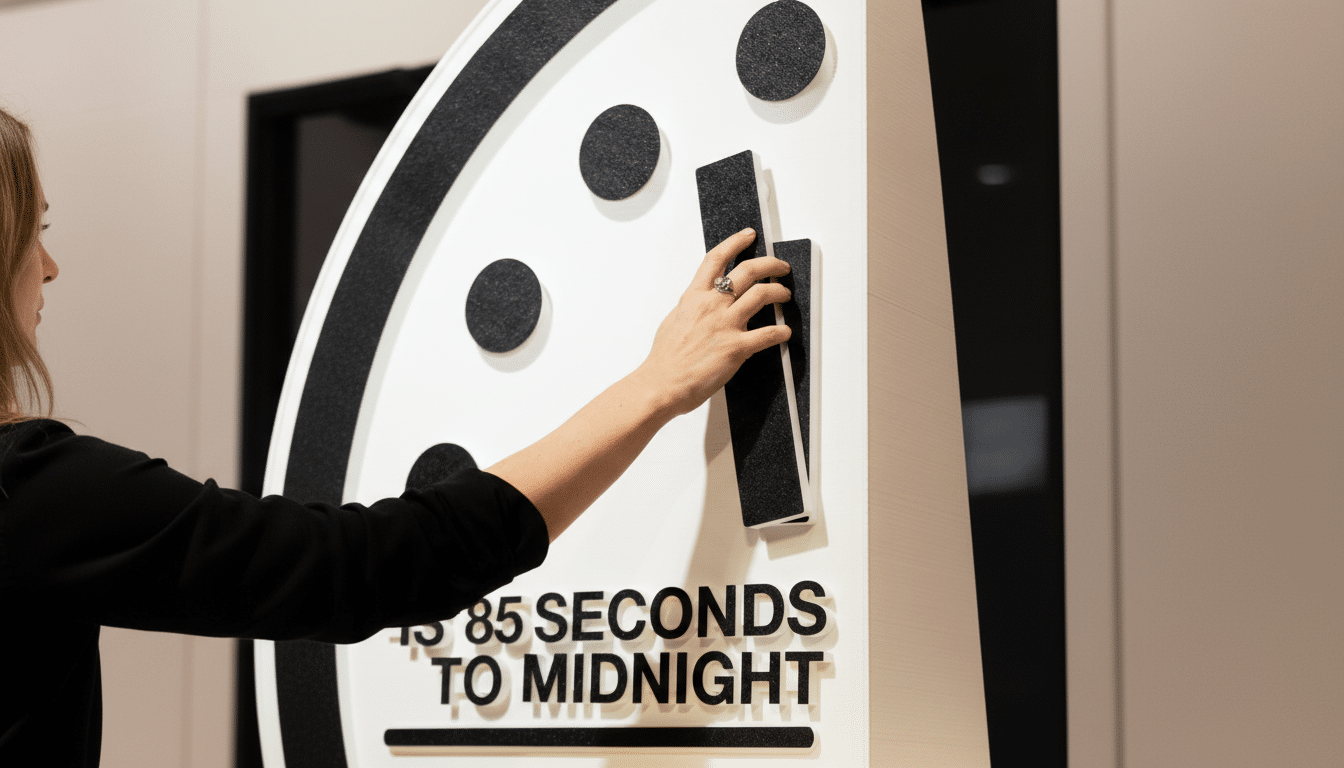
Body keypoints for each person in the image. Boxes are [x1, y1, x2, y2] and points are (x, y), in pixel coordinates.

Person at [0, 106, 792, 765]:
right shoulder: (27, 491)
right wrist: (652, 389)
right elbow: (368, 566)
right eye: (34, 232)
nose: (52, 265)